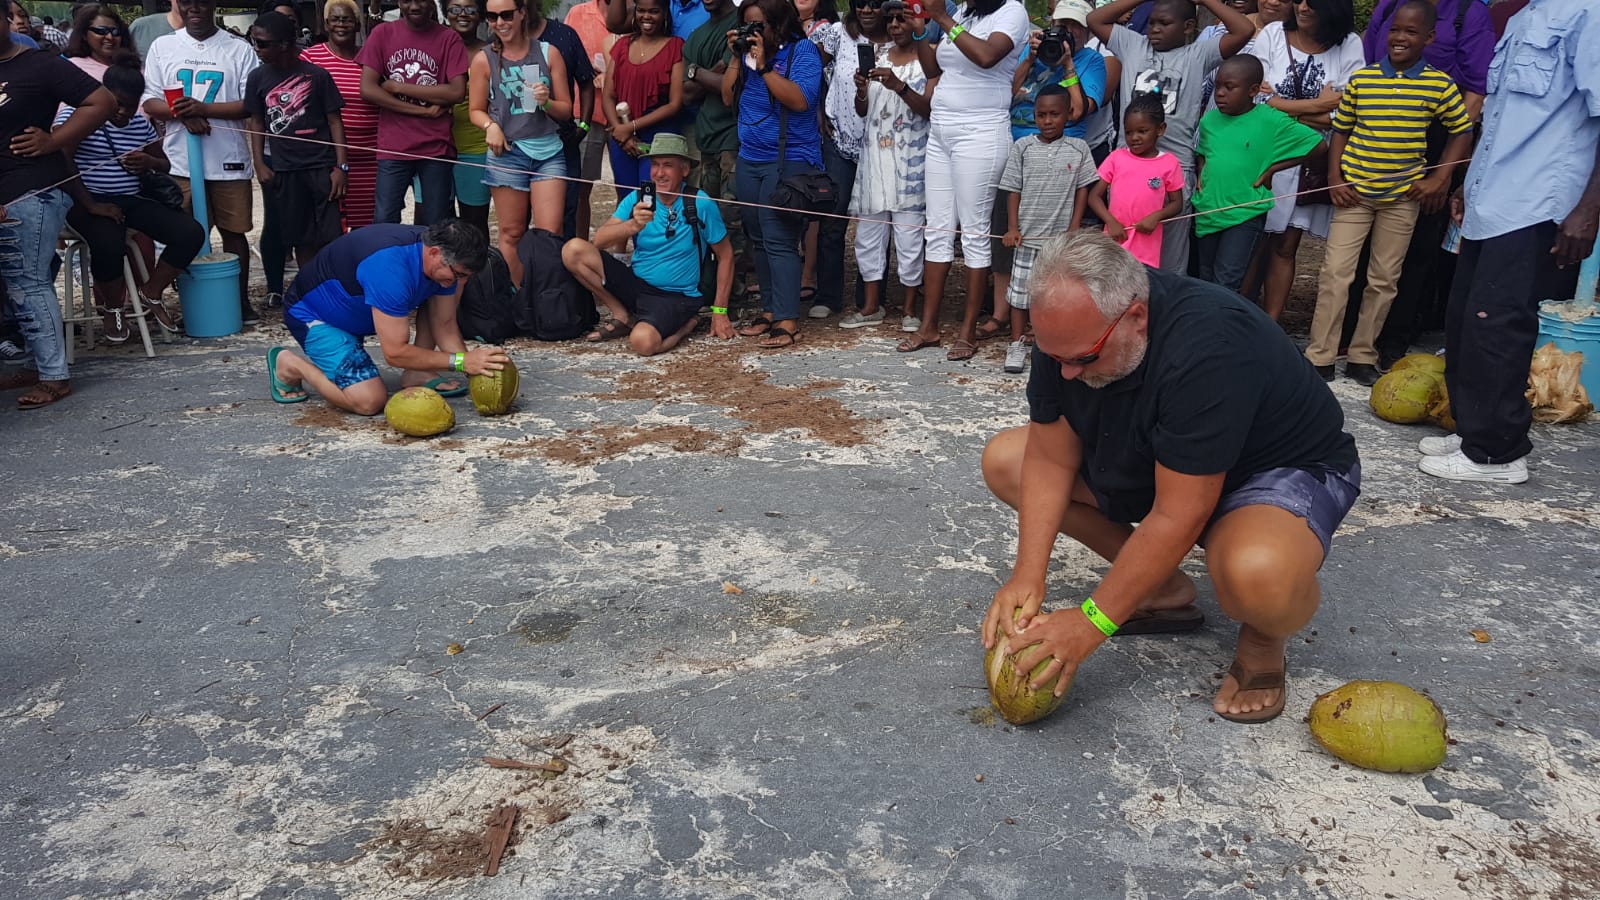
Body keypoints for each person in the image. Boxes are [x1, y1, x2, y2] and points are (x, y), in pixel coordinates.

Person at [979, 229, 1361, 724]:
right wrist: (1027, 576)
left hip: (1272, 472)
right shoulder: (1071, 333)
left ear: (1136, 317)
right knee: (1007, 460)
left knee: (1259, 575)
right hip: (1167, 458)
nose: (1067, 374)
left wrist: (1092, 622)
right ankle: (1161, 592)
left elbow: (1179, 513)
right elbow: (1049, 459)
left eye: (1082, 359)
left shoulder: (1209, 346)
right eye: (1054, 359)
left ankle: (1265, 637)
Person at [1421, 0, 1598, 484]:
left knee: (1498, 324)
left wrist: (1588, 209)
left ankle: (1498, 454)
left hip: (1538, 199)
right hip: (1492, 197)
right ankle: (1473, 429)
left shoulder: (1588, 14)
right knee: (1464, 319)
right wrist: (1466, 182)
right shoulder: (1522, 16)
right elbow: (1500, 118)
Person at [1305, 0, 1472, 386]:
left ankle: (1364, 354)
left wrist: (1440, 179)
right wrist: (1337, 177)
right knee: (1336, 274)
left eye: (1411, 32)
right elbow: (1341, 130)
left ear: (1429, 38)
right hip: (1354, 194)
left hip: (1402, 198)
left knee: (1384, 279)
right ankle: (1320, 355)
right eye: (1396, 29)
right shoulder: (1364, 80)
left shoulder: (1439, 84)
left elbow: (1461, 131)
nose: (1400, 37)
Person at [894, 0, 1029, 360]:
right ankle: (929, 326)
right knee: (936, 229)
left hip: (981, 131)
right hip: (942, 130)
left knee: (974, 231)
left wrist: (941, 17)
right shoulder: (968, 13)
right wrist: (922, 29)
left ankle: (968, 330)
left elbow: (987, 56)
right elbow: (932, 67)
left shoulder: (1012, 13)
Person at [1360, 0, 1492, 367]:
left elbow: (1475, 92)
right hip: (1381, 127)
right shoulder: (1389, 7)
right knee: (1363, 240)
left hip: (1439, 134)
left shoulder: (1469, 13)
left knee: (1418, 244)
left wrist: (1443, 172)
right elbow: (1371, 65)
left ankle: (1395, 338)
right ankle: (1354, 337)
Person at [0, 0, 116, 408]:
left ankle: (54, 375)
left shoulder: (39, 64)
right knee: (17, 285)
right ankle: (40, 361)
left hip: (30, 188)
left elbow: (102, 102)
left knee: (26, 280)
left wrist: (55, 140)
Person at [269, 219, 509, 413]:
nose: (460, 282)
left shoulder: (443, 258)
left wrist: (474, 367)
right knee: (368, 401)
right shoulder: (389, 269)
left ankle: (418, 372)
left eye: (466, 276)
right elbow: (394, 353)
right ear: (435, 253)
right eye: (458, 274)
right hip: (316, 316)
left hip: (358, 313)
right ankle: (290, 365)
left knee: (436, 296)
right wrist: (460, 362)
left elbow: (444, 323)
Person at [1088, 0, 1257, 274]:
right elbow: (1095, 19)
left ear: (1189, 27)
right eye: (1152, 22)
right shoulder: (1133, 44)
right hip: (1128, 167)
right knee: (1123, 250)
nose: (1154, 29)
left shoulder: (1198, 53)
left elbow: (1243, 29)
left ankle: (1163, 310)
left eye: (1164, 24)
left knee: (1168, 257)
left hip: (1175, 170)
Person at [57, 52, 201, 342]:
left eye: (130, 106)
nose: (123, 112)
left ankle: (152, 291)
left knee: (190, 232)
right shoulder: (78, 115)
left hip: (128, 198)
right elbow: (62, 162)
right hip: (84, 200)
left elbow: (164, 165)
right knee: (109, 242)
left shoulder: (140, 124)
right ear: (105, 95)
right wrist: (92, 205)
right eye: (118, 105)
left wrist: (148, 163)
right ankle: (112, 307)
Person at [992, 0, 1106, 342]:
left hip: (1063, 159)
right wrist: (1030, 57)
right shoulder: (1033, 52)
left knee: (1055, 253)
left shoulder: (1091, 61)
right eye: (1061, 25)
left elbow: (1076, 111)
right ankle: (1002, 312)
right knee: (1008, 236)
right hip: (1019, 152)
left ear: (1086, 31)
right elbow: (1004, 94)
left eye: (1074, 27)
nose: (1066, 33)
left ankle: (1045, 323)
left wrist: (1067, 63)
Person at [561, 133, 736, 355]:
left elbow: (726, 255)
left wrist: (720, 311)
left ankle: (686, 326)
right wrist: (632, 226)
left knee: (643, 343)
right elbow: (600, 241)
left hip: (676, 296)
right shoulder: (640, 198)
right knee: (573, 250)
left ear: (684, 170)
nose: (659, 173)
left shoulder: (699, 202)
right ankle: (622, 315)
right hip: (637, 284)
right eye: (655, 165)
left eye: (667, 165)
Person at [141, 0, 259, 325]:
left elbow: (249, 103)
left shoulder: (238, 48)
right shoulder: (163, 46)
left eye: (202, 2)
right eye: (187, 2)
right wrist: (183, 113)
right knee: (189, 234)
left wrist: (202, 110)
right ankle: (194, 304)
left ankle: (240, 301)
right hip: (180, 160)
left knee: (234, 233)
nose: (195, 8)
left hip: (229, 158)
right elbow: (149, 100)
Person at [1245, 0, 1361, 321]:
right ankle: (1241, 321)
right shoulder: (1272, 35)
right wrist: (1318, 106)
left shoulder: (1349, 45)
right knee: (1254, 243)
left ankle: (1270, 324)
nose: (1303, 7)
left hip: (1312, 161)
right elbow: (1254, 98)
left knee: (1285, 246)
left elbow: (1346, 110)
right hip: (1266, 157)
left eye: (1314, 1)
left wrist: (1283, 107)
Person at [724, 0, 824, 350]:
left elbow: (800, 101)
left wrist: (765, 67)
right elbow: (727, 97)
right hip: (750, 158)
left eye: (760, 25)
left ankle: (787, 320)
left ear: (779, 24)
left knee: (779, 238)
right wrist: (738, 58)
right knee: (759, 238)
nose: (754, 32)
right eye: (748, 25)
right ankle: (769, 310)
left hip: (789, 159)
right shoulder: (746, 56)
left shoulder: (804, 53)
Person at [1192, 54, 1322, 292]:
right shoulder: (1209, 120)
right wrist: (1201, 171)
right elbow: (1204, 152)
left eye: (1229, 87)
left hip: (1245, 212)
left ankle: (1225, 327)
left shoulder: (1269, 119)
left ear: (1253, 90)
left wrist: (1272, 168)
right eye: (1218, 86)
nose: (1220, 93)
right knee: (1205, 277)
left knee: (1227, 281)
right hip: (1209, 210)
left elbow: (1317, 144)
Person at [469, 0, 574, 287]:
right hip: (508, 153)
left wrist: (547, 101)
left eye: (506, 15)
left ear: (522, 13)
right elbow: (475, 110)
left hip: (548, 151)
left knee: (549, 234)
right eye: (491, 16)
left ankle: (546, 298)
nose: (499, 23)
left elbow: (566, 111)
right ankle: (521, 297)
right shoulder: (483, 59)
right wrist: (490, 126)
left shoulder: (547, 52)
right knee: (511, 232)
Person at [998, 84, 1096, 377]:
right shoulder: (1023, 147)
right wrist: (1013, 228)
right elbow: (1012, 190)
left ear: (1068, 114)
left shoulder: (1078, 148)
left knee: (1057, 296)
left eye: (1055, 114)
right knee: (1019, 295)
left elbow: (1083, 189)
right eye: (1041, 115)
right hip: (1027, 239)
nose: (1048, 120)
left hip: (1059, 242)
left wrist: (1075, 225)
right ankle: (1016, 343)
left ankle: (1054, 343)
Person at [845, 0, 932, 331]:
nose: (895, 25)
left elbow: (928, 109)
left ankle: (910, 308)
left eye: (902, 18)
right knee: (868, 234)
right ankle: (871, 306)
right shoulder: (877, 57)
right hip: (875, 158)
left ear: (915, 22)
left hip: (911, 158)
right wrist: (862, 91)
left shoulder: (927, 61)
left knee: (909, 236)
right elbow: (863, 111)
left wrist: (899, 85)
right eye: (891, 19)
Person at [246, 12, 347, 273]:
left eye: (263, 43)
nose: (257, 49)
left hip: (321, 167)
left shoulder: (317, 75)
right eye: (254, 41)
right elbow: (256, 122)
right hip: (286, 169)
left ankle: (332, 287)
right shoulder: (258, 77)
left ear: (284, 44)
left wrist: (341, 168)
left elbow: (335, 121)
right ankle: (308, 287)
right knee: (300, 237)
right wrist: (259, 163)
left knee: (330, 235)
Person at [806, 0, 887, 319]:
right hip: (839, 140)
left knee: (878, 224)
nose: (867, 10)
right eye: (860, 3)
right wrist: (815, 112)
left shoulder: (897, 37)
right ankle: (828, 295)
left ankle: (871, 298)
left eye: (875, 3)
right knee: (832, 221)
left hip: (882, 146)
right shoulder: (837, 34)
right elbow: (808, 71)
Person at [358, 0, 470, 225]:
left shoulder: (449, 38)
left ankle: (426, 261)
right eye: (407, 0)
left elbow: (457, 91)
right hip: (393, 145)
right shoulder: (383, 33)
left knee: (436, 222)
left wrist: (398, 87)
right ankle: (390, 261)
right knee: (384, 219)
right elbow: (368, 89)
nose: (414, 6)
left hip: (436, 146)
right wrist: (424, 112)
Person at [681, 0, 746, 303]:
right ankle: (714, 287)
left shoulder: (740, 23)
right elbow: (686, 94)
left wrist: (696, 71)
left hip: (735, 133)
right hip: (706, 135)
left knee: (732, 216)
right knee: (709, 217)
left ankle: (735, 292)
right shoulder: (697, 35)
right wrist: (706, 74)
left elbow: (727, 88)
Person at [514, 1, 593, 241]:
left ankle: (562, 274)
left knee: (563, 215)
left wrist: (584, 125)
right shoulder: (501, 40)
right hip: (517, 144)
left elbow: (586, 82)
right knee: (517, 221)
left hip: (562, 140)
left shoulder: (564, 35)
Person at [303, 0, 379, 231]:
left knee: (368, 225)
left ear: (358, 26)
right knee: (331, 225)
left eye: (347, 20)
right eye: (335, 19)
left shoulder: (372, 59)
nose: (341, 25)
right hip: (329, 161)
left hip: (371, 161)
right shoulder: (310, 59)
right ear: (326, 24)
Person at [1087, 95, 1183, 268]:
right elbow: (1094, 196)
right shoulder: (1117, 157)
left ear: (1160, 129)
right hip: (1114, 243)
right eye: (1129, 132)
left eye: (1142, 131)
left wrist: (1156, 216)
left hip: (1146, 251)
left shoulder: (1169, 163)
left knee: (1139, 293)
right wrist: (1110, 221)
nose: (1134, 137)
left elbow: (1177, 203)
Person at [603, 0, 685, 203]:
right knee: (627, 200)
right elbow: (608, 95)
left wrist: (631, 127)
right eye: (641, 11)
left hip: (658, 137)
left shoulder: (675, 46)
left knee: (651, 201)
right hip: (621, 136)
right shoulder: (622, 45)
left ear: (665, 13)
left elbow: (675, 104)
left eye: (654, 11)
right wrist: (621, 131)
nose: (646, 17)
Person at [562, 0, 615, 238]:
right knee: (580, 186)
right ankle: (579, 245)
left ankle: (621, 250)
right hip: (586, 112)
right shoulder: (577, 13)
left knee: (630, 188)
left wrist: (612, 77)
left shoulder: (637, 11)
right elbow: (562, 57)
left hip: (625, 114)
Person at [445, 0, 490, 237]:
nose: (463, 14)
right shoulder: (435, 47)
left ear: (481, 15)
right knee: (439, 221)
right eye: (455, 8)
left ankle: (479, 274)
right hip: (436, 146)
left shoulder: (491, 51)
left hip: (476, 147)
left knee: (474, 224)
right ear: (445, 12)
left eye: (470, 9)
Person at [62, 4, 129, 83]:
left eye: (115, 31)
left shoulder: (132, 65)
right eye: (101, 31)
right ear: (84, 34)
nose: (110, 37)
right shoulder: (73, 68)